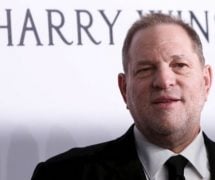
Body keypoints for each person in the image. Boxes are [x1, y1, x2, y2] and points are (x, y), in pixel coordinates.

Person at [31, 13, 214, 180]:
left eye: (180, 65)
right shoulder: (59, 175)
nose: (164, 81)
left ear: (206, 82)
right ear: (124, 88)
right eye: (145, 69)